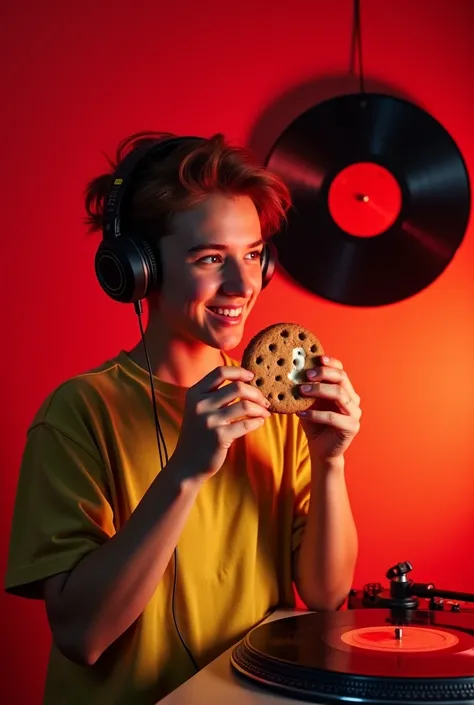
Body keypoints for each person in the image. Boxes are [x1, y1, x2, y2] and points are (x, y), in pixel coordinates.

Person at [5, 132, 361, 705]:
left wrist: (330, 462)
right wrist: (186, 471)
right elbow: (82, 635)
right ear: (140, 269)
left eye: (252, 255)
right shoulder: (78, 413)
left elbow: (324, 597)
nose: (243, 286)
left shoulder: (277, 407)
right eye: (210, 258)